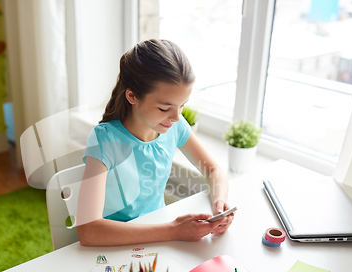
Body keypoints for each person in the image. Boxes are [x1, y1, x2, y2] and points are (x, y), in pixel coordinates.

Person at [76, 39, 234, 246]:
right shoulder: (105, 139)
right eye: (164, 108)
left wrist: (219, 202)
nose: (177, 117)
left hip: (156, 237)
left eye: (182, 106)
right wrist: (174, 231)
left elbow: (214, 170)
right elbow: (89, 231)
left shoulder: (173, 125)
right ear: (132, 96)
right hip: (115, 243)